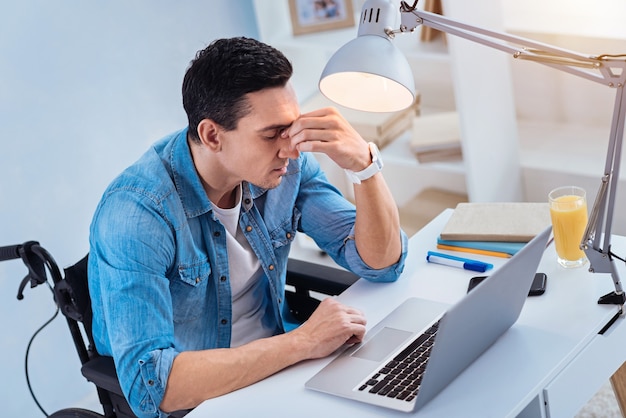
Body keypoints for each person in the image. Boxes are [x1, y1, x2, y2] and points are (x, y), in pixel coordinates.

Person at [88, 36, 407, 418]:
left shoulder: (285, 169)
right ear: (212, 135)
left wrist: (363, 166)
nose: (290, 148)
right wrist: (302, 342)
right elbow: (153, 389)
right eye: (272, 134)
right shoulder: (137, 214)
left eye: (291, 128)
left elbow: (381, 263)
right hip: (206, 399)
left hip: (281, 368)